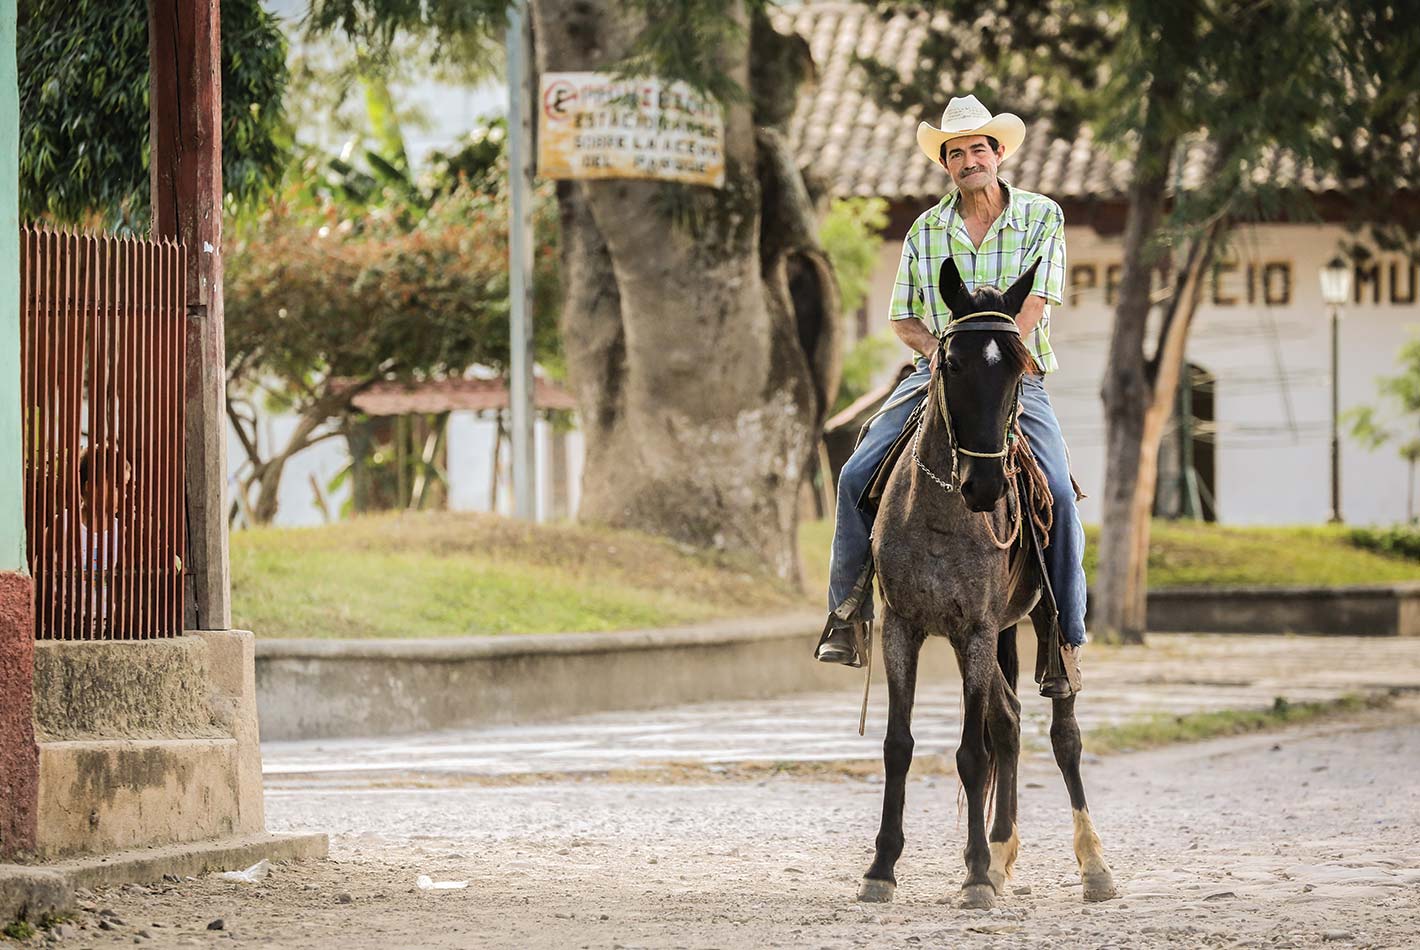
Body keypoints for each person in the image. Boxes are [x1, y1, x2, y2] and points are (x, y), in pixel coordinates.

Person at [814, 95, 1086, 697]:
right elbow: (903, 320)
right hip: (936, 373)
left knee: (1061, 494)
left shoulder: (1043, 217)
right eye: (956, 152)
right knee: (857, 472)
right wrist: (942, 357)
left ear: (998, 154)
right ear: (946, 164)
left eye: (977, 149)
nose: (968, 160)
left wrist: (992, 361)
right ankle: (847, 613)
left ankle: (1066, 636)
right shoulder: (925, 230)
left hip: (1016, 374)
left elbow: (1038, 301)